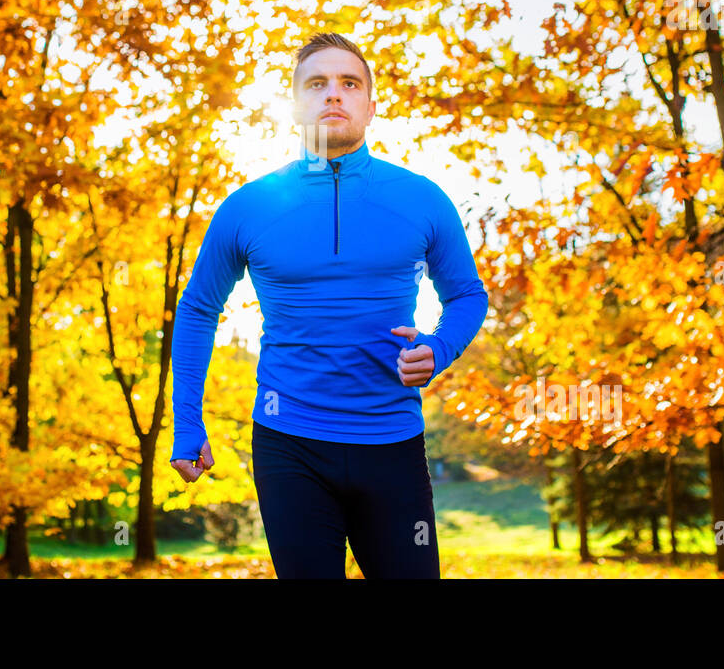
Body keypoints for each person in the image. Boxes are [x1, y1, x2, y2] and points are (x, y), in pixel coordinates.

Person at [168, 33, 489, 578]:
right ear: (295, 105)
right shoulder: (249, 206)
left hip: (392, 440)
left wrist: (437, 349)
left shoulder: (422, 198)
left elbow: (466, 295)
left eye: (349, 83)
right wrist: (187, 422)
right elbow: (199, 308)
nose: (333, 95)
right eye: (316, 84)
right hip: (288, 441)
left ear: (369, 103)